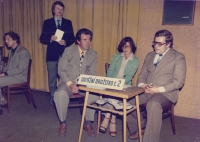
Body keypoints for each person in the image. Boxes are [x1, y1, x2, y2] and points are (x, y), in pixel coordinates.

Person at [127, 30, 186, 142]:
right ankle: (139, 128)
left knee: (153, 104)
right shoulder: (150, 55)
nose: (156, 46)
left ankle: (150, 139)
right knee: (128, 102)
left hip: (166, 93)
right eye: (155, 42)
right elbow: (142, 74)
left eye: (160, 43)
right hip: (147, 90)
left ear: (168, 44)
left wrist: (158, 89)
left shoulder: (178, 57)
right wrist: (142, 85)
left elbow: (179, 81)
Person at [54, 28, 99, 137]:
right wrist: (71, 84)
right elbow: (61, 69)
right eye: (85, 40)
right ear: (78, 41)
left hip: (83, 84)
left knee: (93, 95)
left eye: (89, 39)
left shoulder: (93, 54)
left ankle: (87, 122)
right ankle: (63, 122)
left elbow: (92, 72)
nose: (88, 42)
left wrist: (82, 85)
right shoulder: (68, 51)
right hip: (67, 82)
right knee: (59, 94)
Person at [99, 37, 139, 137]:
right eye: (124, 46)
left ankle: (107, 118)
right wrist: (110, 82)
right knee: (114, 96)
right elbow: (110, 71)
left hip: (125, 85)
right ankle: (112, 121)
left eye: (128, 46)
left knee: (115, 96)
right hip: (112, 83)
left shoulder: (135, 60)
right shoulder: (116, 56)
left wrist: (118, 85)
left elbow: (129, 76)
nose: (126, 49)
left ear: (132, 47)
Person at [40, 1, 75, 108]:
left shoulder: (68, 22)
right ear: (53, 10)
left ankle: (63, 99)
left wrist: (65, 42)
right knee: (52, 79)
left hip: (65, 55)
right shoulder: (47, 22)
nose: (60, 11)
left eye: (62, 9)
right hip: (51, 55)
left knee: (64, 79)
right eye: (58, 9)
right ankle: (53, 100)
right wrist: (50, 38)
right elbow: (42, 39)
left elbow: (72, 38)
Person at [0, 31, 31, 115]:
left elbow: (20, 69)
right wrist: (2, 71)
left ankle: (2, 102)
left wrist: (5, 74)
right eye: (5, 39)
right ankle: (2, 100)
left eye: (8, 39)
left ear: (15, 40)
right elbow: (9, 66)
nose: (6, 41)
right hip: (13, 75)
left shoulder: (23, 52)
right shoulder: (11, 51)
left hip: (20, 77)